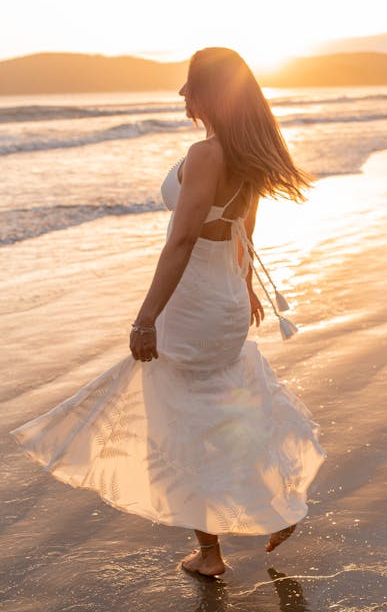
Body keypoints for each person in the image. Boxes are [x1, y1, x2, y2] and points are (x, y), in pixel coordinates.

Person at [10, 47, 327, 578]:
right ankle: (275, 501)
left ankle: (212, 552)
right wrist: (244, 289)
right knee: (223, 407)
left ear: (211, 94)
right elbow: (243, 231)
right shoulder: (247, 153)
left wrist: (145, 317)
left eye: (190, 85)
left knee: (186, 423)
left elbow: (182, 240)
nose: (182, 94)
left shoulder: (207, 154)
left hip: (194, 303)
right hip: (223, 299)